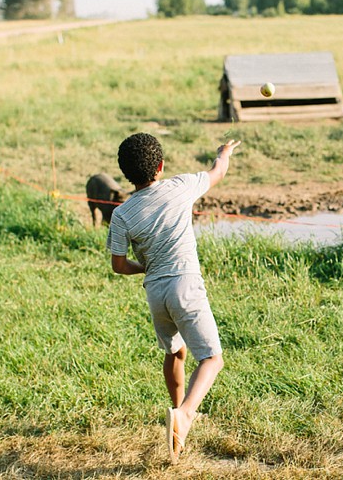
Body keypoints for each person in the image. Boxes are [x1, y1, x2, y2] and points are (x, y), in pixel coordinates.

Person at [106, 132, 241, 464]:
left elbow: (119, 266)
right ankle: (186, 413)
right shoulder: (180, 187)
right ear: (161, 166)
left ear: (126, 173)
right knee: (212, 359)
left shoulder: (121, 215)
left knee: (176, 351)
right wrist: (223, 152)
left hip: (156, 293)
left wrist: (146, 268)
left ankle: (177, 423)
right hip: (185, 286)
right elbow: (218, 172)